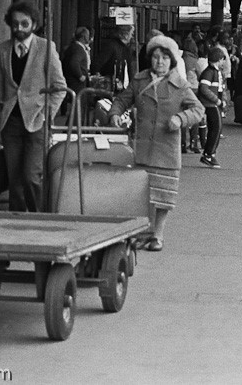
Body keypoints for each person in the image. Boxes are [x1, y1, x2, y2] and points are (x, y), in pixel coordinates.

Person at [108, 35, 202, 252]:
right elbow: (122, 100)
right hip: (142, 148)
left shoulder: (180, 85)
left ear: (172, 61)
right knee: (143, 195)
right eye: (156, 57)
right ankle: (142, 234)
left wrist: (180, 119)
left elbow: (198, 110)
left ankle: (158, 235)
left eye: (164, 58)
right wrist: (114, 113)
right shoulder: (140, 81)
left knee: (164, 197)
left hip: (166, 149)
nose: (159, 62)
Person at [0, 1, 67, 212]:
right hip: (11, 122)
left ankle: (39, 216)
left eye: (24, 23)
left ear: (34, 24)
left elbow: (60, 87)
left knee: (31, 175)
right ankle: (17, 220)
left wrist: (47, 114)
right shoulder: (2, 51)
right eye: (15, 24)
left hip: (36, 121)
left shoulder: (45, 48)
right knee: (14, 179)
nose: (19, 29)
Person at [197, 47, 227, 168]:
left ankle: (209, 153)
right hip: (211, 104)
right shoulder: (210, 72)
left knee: (215, 128)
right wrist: (218, 100)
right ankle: (209, 154)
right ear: (219, 60)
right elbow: (204, 89)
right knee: (216, 128)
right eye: (222, 60)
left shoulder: (212, 71)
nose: (223, 62)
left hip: (213, 103)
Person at [61, 26, 91, 116]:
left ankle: (72, 127)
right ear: (83, 37)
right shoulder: (79, 49)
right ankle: (74, 128)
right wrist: (80, 75)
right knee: (78, 107)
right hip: (77, 83)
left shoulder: (72, 47)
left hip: (70, 79)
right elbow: (74, 63)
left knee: (76, 107)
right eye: (87, 36)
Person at [94, 24, 135, 91]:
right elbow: (97, 63)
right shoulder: (111, 46)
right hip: (111, 85)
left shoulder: (126, 49)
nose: (132, 36)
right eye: (131, 33)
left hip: (122, 85)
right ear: (125, 34)